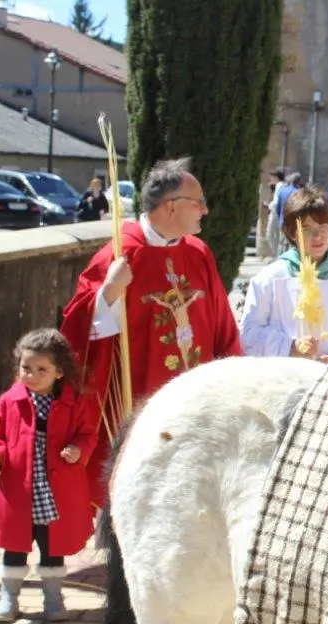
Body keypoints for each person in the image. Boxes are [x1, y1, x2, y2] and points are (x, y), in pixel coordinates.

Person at [59, 158, 243, 508]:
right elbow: (74, 329)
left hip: (195, 402)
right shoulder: (120, 253)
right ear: (171, 206)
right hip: (139, 402)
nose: (205, 209)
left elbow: (223, 325)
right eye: (198, 202)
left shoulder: (199, 253)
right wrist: (108, 294)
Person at [0, 329, 98, 623]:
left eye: (41, 370)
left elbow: (87, 434)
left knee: (52, 546)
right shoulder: (11, 400)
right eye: (26, 368)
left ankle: (53, 597)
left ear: (59, 372)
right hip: (19, 489)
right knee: (15, 546)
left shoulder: (75, 402)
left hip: (54, 492)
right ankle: (8, 598)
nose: (31, 375)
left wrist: (77, 449)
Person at [239, 186, 328, 359]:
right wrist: (290, 347)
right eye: (307, 230)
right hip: (284, 378)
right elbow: (249, 332)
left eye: (323, 227)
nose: (318, 236)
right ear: (292, 233)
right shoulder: (270, 278)